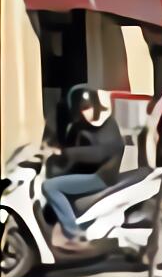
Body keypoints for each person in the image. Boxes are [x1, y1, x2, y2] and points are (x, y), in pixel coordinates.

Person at [42, 89, 125, 250]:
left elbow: (100, 154)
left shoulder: (108, 125)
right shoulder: (79, 126)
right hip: (85, 173)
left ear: (97, 105)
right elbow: (68, 147)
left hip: (101, 177)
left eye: (88, 107)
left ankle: (73, 234)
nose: (85, 112)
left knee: (49, 186)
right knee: (50, 180)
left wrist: (67, 153)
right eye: (82, 108)